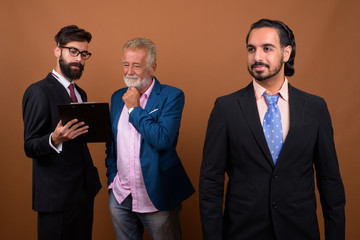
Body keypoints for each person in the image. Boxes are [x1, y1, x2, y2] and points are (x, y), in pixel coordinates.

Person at [199, 19, 345, 240]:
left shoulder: (315, 108)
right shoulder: (225, 108)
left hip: (300, 231)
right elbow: (210, 184)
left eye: (267, 48)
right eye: (251, 49)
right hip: (243, 231)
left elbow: (330, 182)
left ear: (286, 53)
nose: (257, 57)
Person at [105, 38, 195, 240]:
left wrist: (134, 109)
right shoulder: (116, 97)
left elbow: (162, 139)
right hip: (121, 195)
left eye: (136, 66)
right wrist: (112, 178)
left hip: (156, 194)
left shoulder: (172, 96)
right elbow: (111, 143)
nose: (129, 72)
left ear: (152, 67)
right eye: (125, 65)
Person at [22, 25, 102, 240]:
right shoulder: (38, 91)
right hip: (55, 198)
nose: (79, 59)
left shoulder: (80, 93)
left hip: (83, 193)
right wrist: (53, 139)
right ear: (57, 51)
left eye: (84, 54)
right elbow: (30, 145)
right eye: (73, 52)